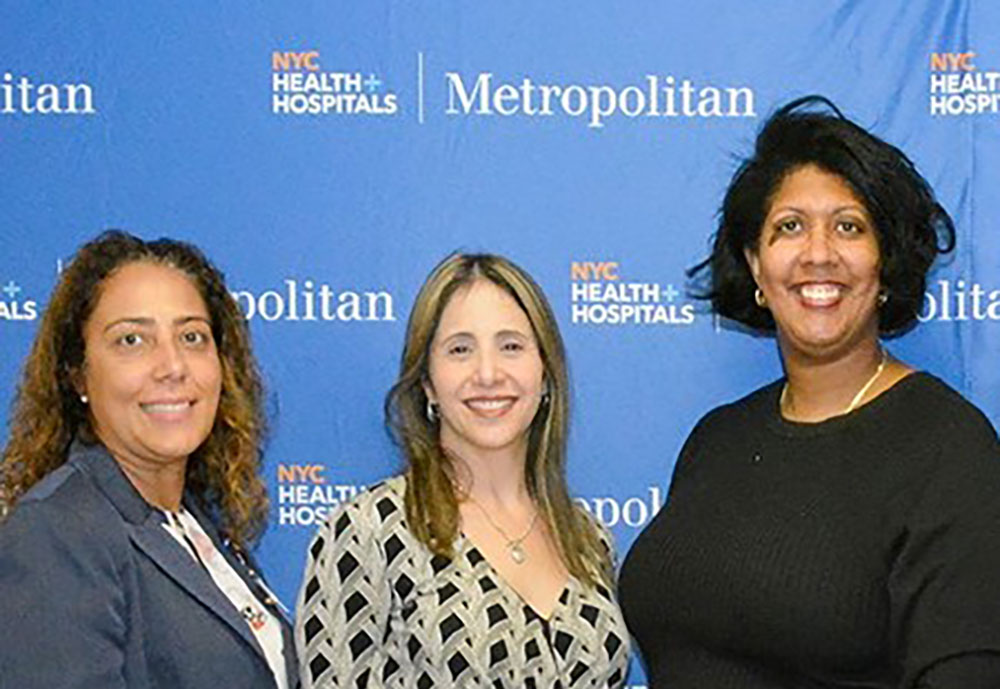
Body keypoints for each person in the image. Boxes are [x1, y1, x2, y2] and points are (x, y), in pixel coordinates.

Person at [619, 96, 1000, 688]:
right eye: (789, 227)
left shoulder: (948, 448)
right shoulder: (716, 439)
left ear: (885, 266)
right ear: (755, 266)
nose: (818, 254)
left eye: (848, 227)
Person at [295, 253, 629, 688]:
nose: (488, 373)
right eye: (460, 350)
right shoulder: (369, 531)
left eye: (511, 346)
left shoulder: (588, 539)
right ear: (428, 383)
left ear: (545, 374)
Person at [0, 231, 296, 689]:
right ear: (78, 374)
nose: (172, 365)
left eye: (192, 337)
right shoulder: (56, 532)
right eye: (132, 340)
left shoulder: (195, 521)